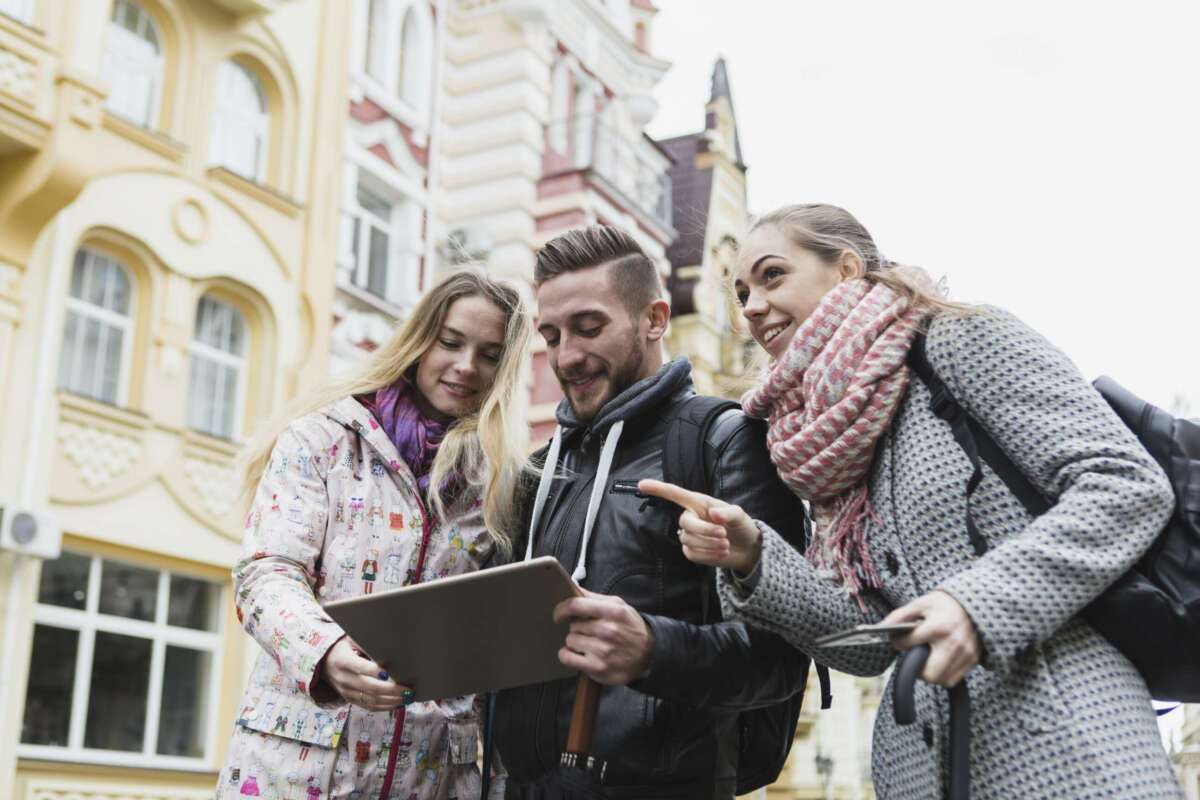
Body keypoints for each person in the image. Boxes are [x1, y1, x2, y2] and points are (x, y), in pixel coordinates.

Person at [640, 203, 1183, 799]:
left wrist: (974, 604)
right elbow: (872, 642)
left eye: (772, 275)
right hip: (923, 768)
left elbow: (1124, 482)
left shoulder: (959, 337)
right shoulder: (821, 441)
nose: (752, 306)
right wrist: (752, 557)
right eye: (741, 293)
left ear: (846, 269)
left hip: (1065, 739)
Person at [493, 225, 811, 799]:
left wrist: (652, 651)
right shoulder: (539, 472)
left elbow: (782, 661)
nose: (567, 356)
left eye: (589, 329)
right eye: (551, 335)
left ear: (655, 320)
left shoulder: (727, 440)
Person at [217, 269, 530, 799]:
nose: (465, 366)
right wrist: (325, 651)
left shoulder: (500, 484)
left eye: (491, 354)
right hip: (294, 774)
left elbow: (495, 654)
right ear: (418, 339)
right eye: (449, 341)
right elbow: (265, 574)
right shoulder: (322, 438)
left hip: (432, 778)